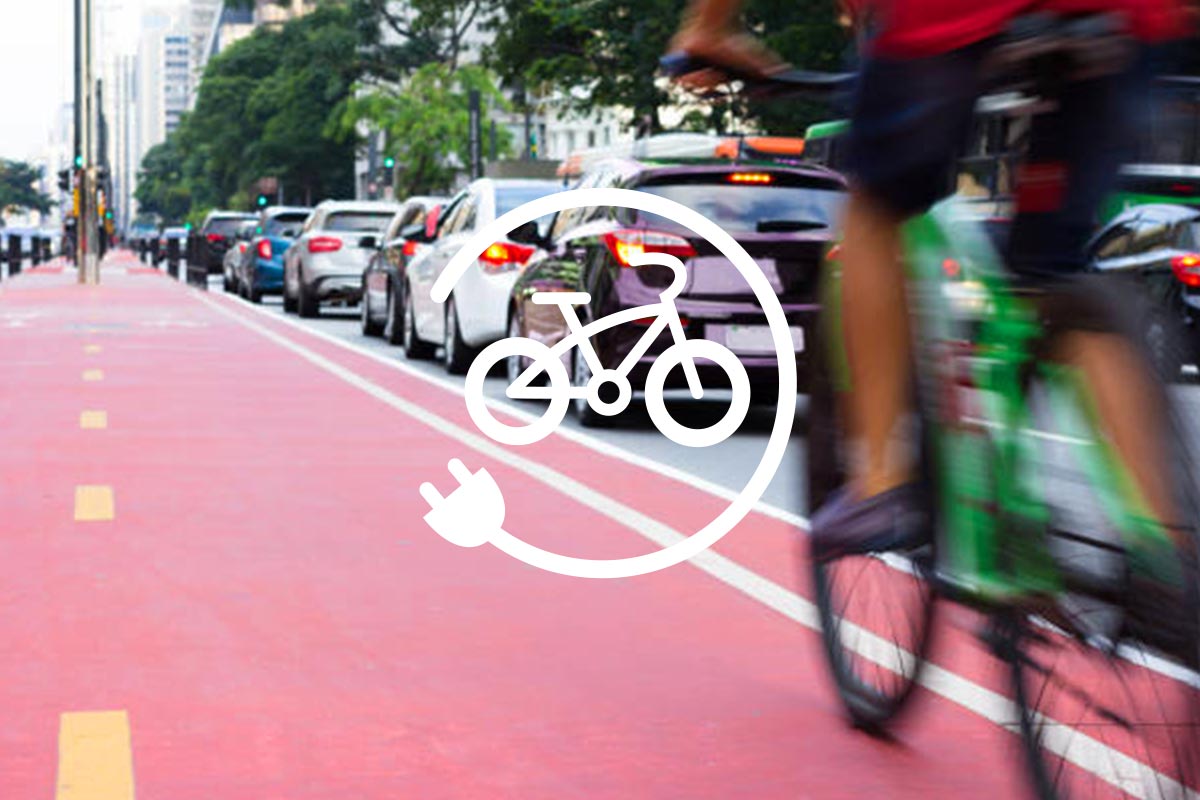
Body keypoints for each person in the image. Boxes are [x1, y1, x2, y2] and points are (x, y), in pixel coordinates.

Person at [667, 1, 1192, 575]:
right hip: (1125, 19)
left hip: (950, 18)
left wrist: (709, 29)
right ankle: (1165, 558)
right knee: (1055, 272)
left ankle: (881, 484)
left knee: (876, 207)